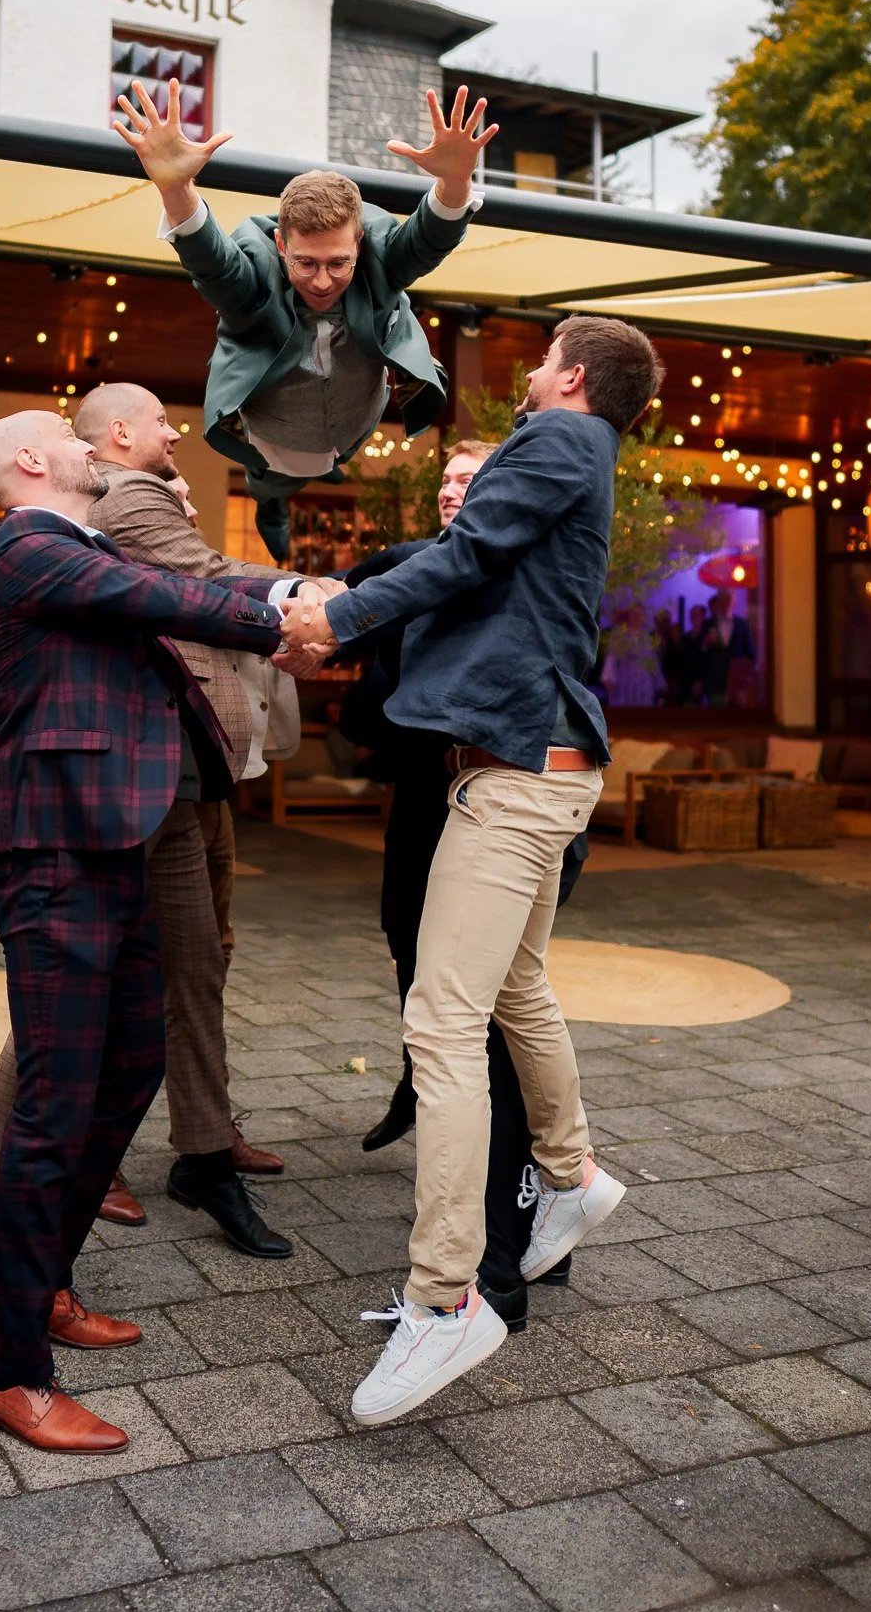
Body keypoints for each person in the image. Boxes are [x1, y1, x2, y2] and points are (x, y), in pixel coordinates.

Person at [281, 312, 663, 1422]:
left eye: (543, 360)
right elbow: (455, 564)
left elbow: (459, 555)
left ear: (575, 377)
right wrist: (327, 601)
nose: (530, 376)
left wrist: (335, 621)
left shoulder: (556, 438)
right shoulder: (575, 453)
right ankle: (573, 1173)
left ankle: (445, 1300)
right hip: (542, 762)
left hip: (514, 773)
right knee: (512, 987)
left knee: (440, 1021)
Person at [0, 409, 286, 1455]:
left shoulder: (81, 546)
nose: (92, 444)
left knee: (133, 1061)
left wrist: (287, 598)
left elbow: (176, 593)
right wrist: (291, 611)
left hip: (113, 838)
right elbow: (167, 593)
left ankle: (43, 1275)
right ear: (30, 462)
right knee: (53, 1102)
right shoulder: (26, 545)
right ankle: (6, 1370)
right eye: (72, 434)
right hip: (53, 848)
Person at [339, 437, 583, 1329]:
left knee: (486, 1036)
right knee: (456, 1024)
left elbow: (376, 707)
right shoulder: (428, 580)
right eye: (444, 479)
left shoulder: (498, 578)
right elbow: (371, 711)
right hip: (425, 826)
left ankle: (501, 1258)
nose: (453, 490)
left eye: (469, 479)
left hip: (501, 819)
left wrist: (344, 616)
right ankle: (525, 1231)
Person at [112, 77, 492, 560]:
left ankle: (323, 466)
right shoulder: (254, 277)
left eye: (338, 263)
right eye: (305, 263)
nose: (320, 281)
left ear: (358, 245)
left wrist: (455, 182)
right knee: (271, 484)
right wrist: (176, 188)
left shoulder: (378, 261)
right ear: (280, 246)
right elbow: (212, 264)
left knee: (329, 462)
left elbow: (426, 240)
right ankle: (271, 505)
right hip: (275, 440)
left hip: (355, 424)